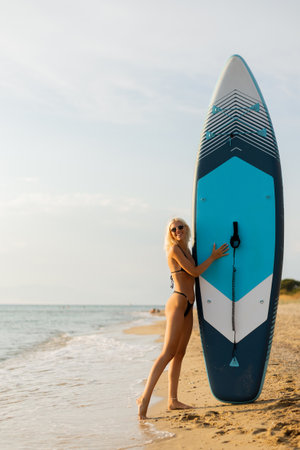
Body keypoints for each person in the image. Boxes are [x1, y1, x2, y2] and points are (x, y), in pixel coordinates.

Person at [137, 217, 229, 420]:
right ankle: (144, 398)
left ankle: (172, 400)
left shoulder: (188, 249)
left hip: (189, 304)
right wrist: (213, 257)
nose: (177, 230)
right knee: (167, 352)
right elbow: (195, 272)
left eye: (180, 227)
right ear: (170, 234)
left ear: (186, 229)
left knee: (180, 353)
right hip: (178, 303)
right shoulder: (175, 250)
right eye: (173, 229)